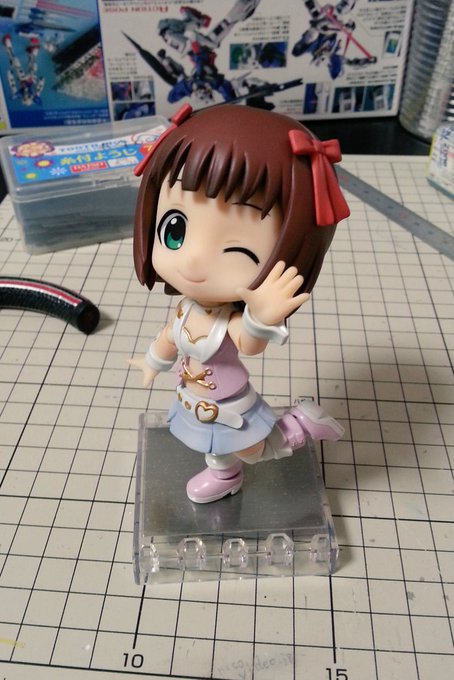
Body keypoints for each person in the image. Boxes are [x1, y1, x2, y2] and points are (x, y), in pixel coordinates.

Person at [130, 103, 350, 503]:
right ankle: (225, 477)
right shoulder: (186, 309)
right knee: (214, 448)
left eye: (238, 251)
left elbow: (248, 343)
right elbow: (169, 337)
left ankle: (299, 426)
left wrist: (261, 316)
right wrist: (152, 362)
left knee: (253, 449)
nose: (194, 261)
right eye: (175, 230)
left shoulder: (226, 322)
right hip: (194, 398)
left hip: (229, 403)